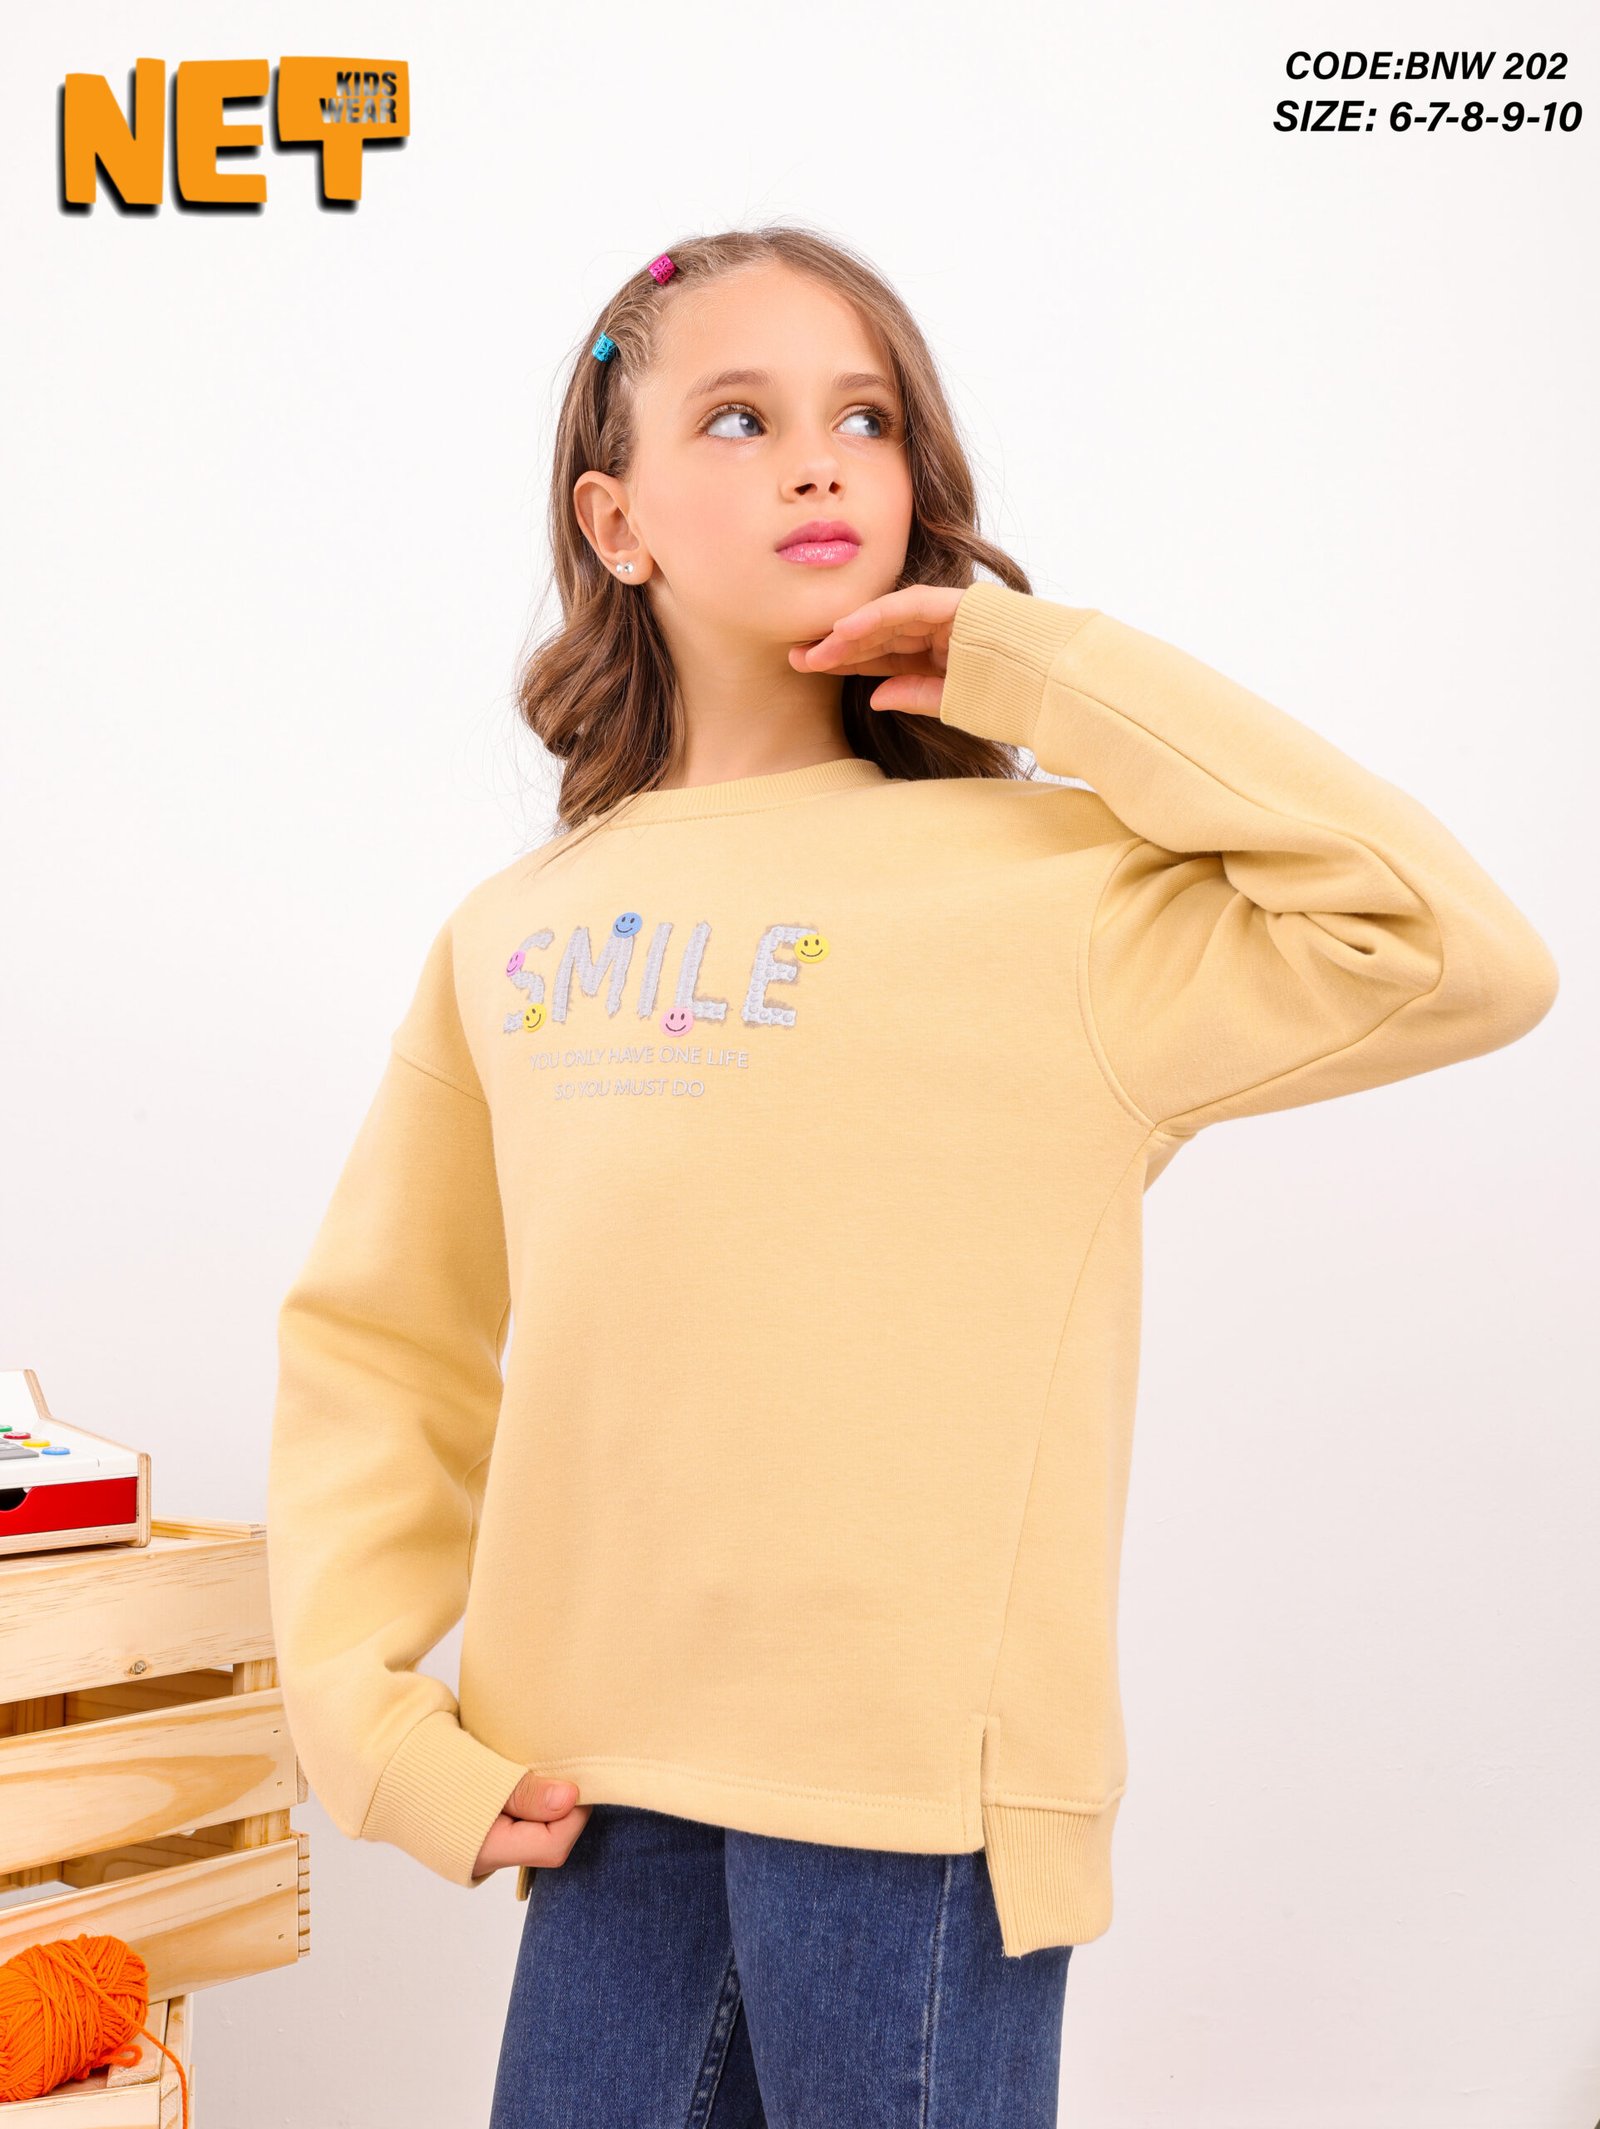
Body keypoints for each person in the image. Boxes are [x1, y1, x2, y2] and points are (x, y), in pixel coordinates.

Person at [266, 225, 1559, 2125]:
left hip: (915, 1813)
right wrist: (370, 1722)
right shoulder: (516, 934)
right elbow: (385, 1345)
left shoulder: (1057, 893)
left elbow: (1457, 952)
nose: (817, 461)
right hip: (591, 1801)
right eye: (740, 417)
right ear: (615, 522)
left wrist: (1048, 671)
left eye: (862, 419)